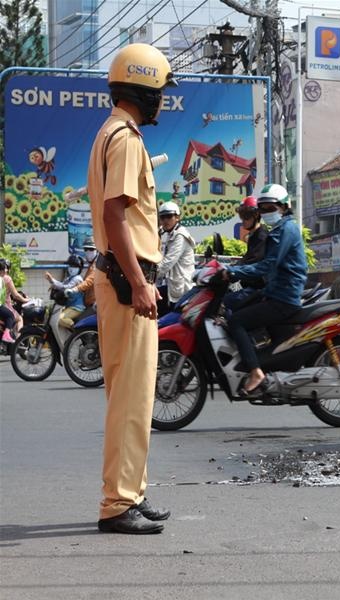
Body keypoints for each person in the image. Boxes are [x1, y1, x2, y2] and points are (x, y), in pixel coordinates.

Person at [87, 43, 175, 534]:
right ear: (145, 90)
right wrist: (140, 283)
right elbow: (114, 214)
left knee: (134, 395)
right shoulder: (123, 138)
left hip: (120, 276)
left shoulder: (114, 133)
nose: (162, 99)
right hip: (127, 279)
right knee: (131, 397)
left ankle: (130, 494)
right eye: (160, 90)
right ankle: (118, 503)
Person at [222, 184, 308, 396]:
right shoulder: (279, 229)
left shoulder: (286, 230)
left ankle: (255, 371)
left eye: (271, 208)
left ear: (284, 207)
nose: (267, 213)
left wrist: (233, 272)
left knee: (236, 321)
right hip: (275, 291)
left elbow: (268, 265)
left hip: (283, 296)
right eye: (263, 209)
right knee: (235, 308)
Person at [223, 195, 269, 312]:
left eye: (247, 216)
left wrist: (232, 272)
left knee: (225, 304)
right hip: (250, 287)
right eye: (242, 216)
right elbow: (246, 259)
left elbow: (253, 261)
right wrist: (226, 268)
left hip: (258, 289)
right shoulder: (253, 235)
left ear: (257, 216)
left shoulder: (262, 236)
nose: (243, 220)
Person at [156, 201, 196, 313]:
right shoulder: (165, 233)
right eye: (162, 217)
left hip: (181, 289)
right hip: (171, 285)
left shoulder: (180, 236)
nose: (165, 220)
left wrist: (146, 278)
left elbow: (167, 263)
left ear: (177, 217)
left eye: (169, 216)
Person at [45, 254, 85, 330]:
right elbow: (62, 285)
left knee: (60, 319)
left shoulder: (77, 279)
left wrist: (52, 280)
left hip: (76, 308)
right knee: (53, 317)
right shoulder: (69, 278)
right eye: (70, 265)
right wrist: (53, 284)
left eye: (75, 266)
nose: (71, 268)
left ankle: (77, 332)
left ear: (79, 268)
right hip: (69, 306)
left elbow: (66, 287)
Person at [66, 237, 99, 310]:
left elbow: (89, 281)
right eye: (86, 249)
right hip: (88, 304)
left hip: (95, 305)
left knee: (81, 321)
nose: (88, 251)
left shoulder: (97, 265)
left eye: (91, 249)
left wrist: (75, 289)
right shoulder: (91, 265)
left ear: (97, 250)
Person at [0, 258, 28, 343]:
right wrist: (25, 300)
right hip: (5, 306)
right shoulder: (7, 278)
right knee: (19, 319)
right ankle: (19, 341)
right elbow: (15, 295)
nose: (6, 270)